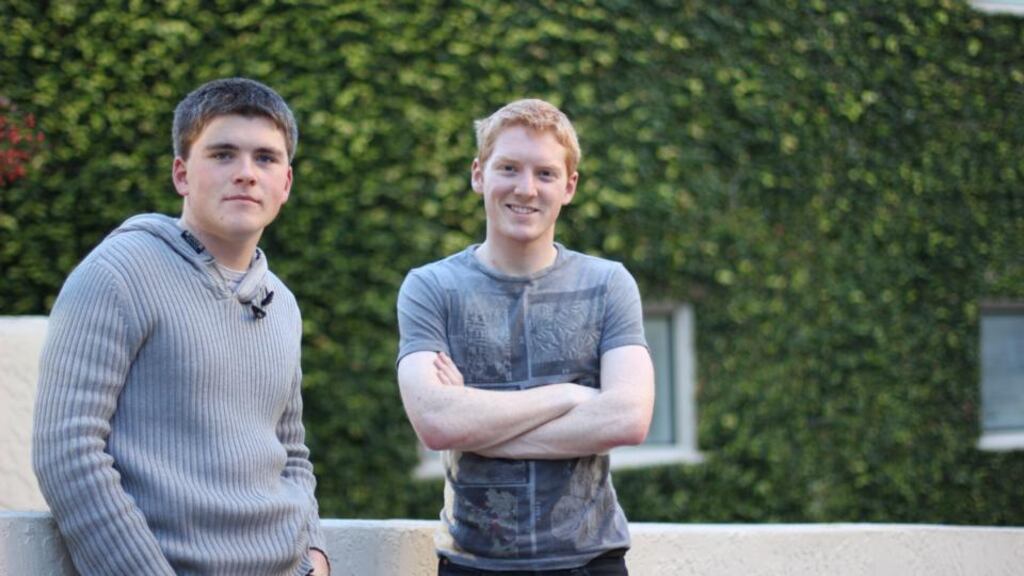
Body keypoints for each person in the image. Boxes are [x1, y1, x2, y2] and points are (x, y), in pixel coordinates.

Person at [33, 77, 330, 576]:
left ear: (286, 183)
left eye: (265, 158)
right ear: (182, 174)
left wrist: (315, 554)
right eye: (222, 154)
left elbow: (291, 452)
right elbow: (67, 451)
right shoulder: (118, 274)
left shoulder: (281, 302)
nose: (246, 174)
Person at [396, 99, 655, 575]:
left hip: (591, 561)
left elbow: (628, 419)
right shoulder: (431, 287)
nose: (526, 188)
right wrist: (572, 395)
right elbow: (436, 424)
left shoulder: (609, 284)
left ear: (569, 186)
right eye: (509, 168)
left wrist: (477, 421)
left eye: (546, 174)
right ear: (479, 175)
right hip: (473, 563)